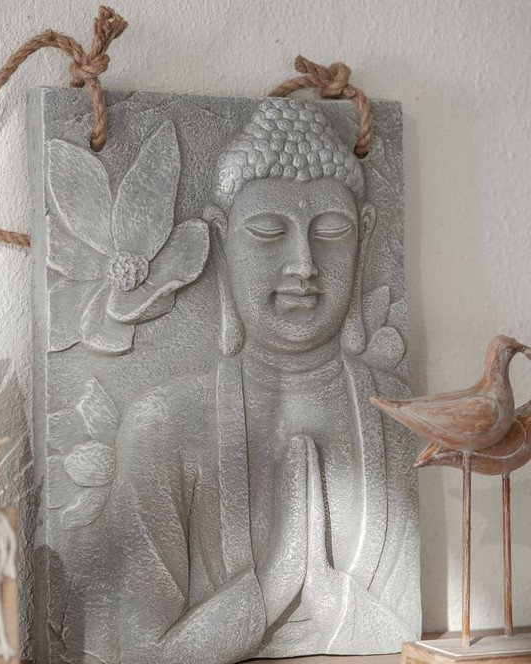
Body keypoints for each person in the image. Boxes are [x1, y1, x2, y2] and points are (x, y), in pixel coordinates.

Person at [110, 98, 421, 664]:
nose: (303, 262)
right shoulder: (162, 426)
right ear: (223, 237)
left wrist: (332, 599)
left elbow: (409, 638)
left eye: (331, 230)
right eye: (269, 230)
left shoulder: (398, 418)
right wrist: (275, 582)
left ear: (365, 236)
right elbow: (131, 652)